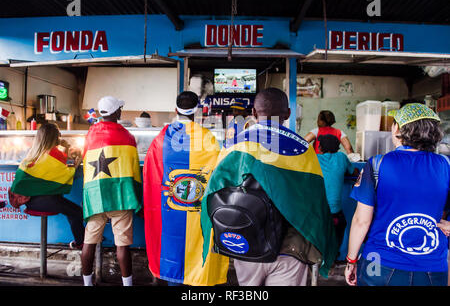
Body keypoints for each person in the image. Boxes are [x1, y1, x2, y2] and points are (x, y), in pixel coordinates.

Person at [200, 87, 339, 286]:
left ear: (254, 113)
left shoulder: (235, 145)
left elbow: (214, 193)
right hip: (291, 248)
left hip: (246, 240)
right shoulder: (303, 149)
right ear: (288, 114)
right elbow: (315, 204)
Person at [345, 103, 449, 286]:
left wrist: (351, 260)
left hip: (378, 264)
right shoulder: (445, 165)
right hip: (432, 268)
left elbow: (361, 220)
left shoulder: (378, 164)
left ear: (398, 129)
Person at [143, 91, 229, 286]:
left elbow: (151, 174)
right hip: (198, 213)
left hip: (170, 210)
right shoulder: (208, 138)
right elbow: (219, 172)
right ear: (197, 110)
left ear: (175, 110)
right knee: (196, 254)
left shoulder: (162, 138)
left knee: (173, 253)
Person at [81, 96, 142, 286]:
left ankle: (87, 283)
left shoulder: (90, 135)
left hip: (95, 196)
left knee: (88, 242)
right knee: (122, 245)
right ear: (116, 113)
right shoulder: (127, 136)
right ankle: (127, 284)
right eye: (120, 109)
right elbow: (133, 168)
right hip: (120, 196)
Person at [10, 123, 84, 249]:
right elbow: (66, 172)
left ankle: (81, 240)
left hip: (30, 202)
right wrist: (76, 159)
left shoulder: (30, 156)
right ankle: (82, 243)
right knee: (77, 212)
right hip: (46, 200)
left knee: (72, 211)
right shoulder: (53, 155)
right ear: (55, 138)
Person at [316, 134, 359, 250]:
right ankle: (334, 258)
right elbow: (354, 172)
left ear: (320, 148)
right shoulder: (341, 157)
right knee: (340, 226)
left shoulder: (316, 158)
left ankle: (322, 260)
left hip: (318, 211)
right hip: (335, 212)